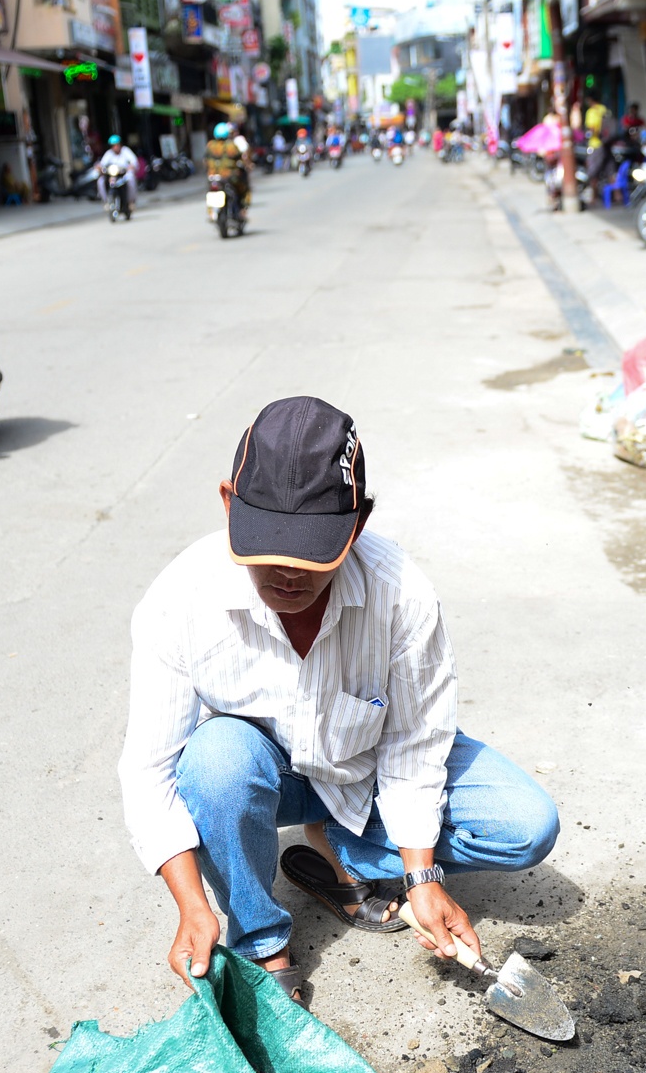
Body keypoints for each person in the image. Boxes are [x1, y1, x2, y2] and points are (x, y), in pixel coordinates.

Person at [118, 397, 562, 1004]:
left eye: (312, 552)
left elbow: (415, 743)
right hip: (265, 771)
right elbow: (149, 772)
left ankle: (344, 855)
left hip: (366, 764)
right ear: (229, 505)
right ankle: (262, 941)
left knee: (526, 827)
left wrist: (422, 876)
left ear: (358, 523)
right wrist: (193, 907)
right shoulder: (180, 602)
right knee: (215, 760)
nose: (288, 575)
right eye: (271, 546)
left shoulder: (401, 595)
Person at [206, 121, 251, 211]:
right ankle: (242, 208)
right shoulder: (231, 146)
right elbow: (240, 157)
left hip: (212, 176)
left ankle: (211, 212)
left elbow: (205, 160)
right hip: (229, 176)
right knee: (243, 187)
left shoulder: (210, 145)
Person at [96, 133, 139, 210]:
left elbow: (134, 161)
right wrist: (99, 168)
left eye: (117, 145)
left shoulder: (125, 151)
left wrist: (131, 166)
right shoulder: (109, 154)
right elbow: (102, 163)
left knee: (131, 179)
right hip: (113, 176)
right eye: (113, 145)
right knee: (100, 181)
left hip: (123, 174)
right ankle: (106, 202)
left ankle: (131, 202)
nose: (115, 147)